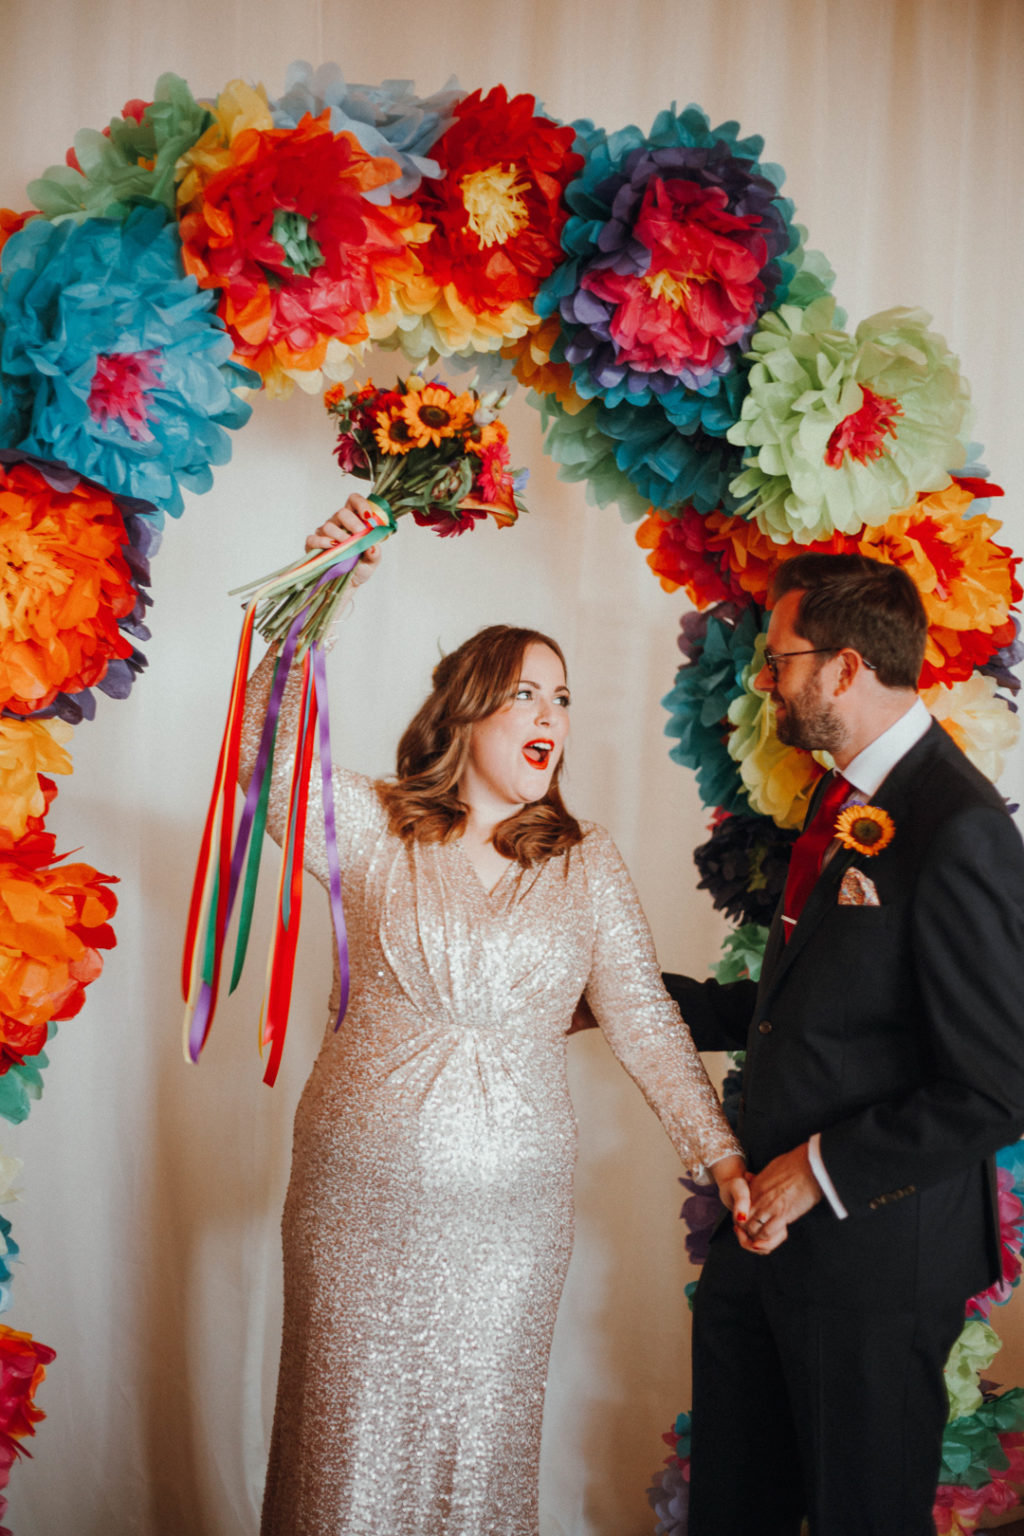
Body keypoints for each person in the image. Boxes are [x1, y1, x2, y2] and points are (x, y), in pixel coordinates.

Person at [245, 494, 748, 1536]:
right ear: (465, 711)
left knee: (476, 1456)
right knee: (345, 1451)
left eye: (562, 698)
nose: (551, 719)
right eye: (524, 695)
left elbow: (648, 1022)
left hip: (510, 1231)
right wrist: (313, 601)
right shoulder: (379, 829)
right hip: (355, 1203)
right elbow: (264, 767)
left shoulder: (585, 859)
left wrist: (724, 1158)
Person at [665, 551, 1024, 1536]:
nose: (768, 683)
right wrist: (641, 1003)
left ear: (846, 667)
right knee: (735, 1511)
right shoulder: (839, 802)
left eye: (780, 660)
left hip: (873, 1268)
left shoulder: (955, 826)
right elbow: (811, 1011)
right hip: (764, 1256)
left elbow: (998, 1084)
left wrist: (815, 1171)